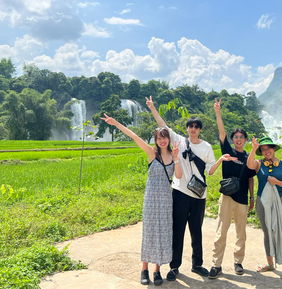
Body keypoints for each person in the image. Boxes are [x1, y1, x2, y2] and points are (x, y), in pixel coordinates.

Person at [145, 96, 237, 282]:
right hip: (179, 193)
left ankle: (197, 264)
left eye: (196, 126)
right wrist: (153, 107)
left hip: (198, 195)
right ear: (187, 129)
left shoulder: (206, 147)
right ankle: (174, 266)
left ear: (199, 129)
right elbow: (162, 126)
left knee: (197, 231)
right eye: (190, 126)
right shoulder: (179, 140)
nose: (193, 129)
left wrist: (219, 160)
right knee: (177, 231)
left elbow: (210, 171)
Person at [101, 113, 182, 286]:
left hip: (166, 199)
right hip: (151, 197)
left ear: (168, 139)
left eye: (165, 138)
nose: (162, 141)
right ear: (156, 140)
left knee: (163, 233)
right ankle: (144, 269)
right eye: (159, 138)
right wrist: (115, 123)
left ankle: (157, 270)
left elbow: (180, 176)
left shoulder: (174, 156)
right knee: (149, 232)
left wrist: (176, 159)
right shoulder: (151, 153)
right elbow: (134, 136)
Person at [208, 99, 256, 279]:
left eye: (241, 138)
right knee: (221, 231)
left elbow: (251, 178)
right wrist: (218, 112)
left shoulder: (247, 156)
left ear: (245, 140)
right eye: (235, 137)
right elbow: (222, 131)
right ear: (233, 139)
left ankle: (238, 262)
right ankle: (216, 264)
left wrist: (252, 198)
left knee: (241, 232)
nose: (238, 140)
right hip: (227, 197)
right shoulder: (227, 150)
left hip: (243, 198)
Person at [247, 136, 282, 280]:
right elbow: (249, 165)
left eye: (269, 148)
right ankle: (270, 263)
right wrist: (253, 149)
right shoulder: (258, 163)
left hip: (281, 201)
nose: (266, 150)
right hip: (263, 202)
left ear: (274, 149)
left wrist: (277, 182)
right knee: (267, 232)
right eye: (263, 149)